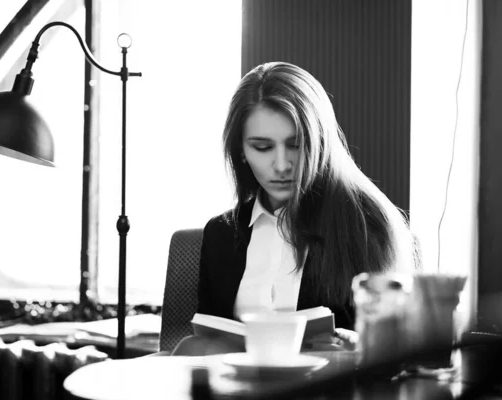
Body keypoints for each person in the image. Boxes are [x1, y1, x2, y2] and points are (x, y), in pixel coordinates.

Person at [173, 61, 418, 356]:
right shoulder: (220, 234)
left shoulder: (367, 224)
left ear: (320, 142)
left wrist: (361, 347)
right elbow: (210, 333)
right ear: (240, 149)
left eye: (296, 144)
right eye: (262, 147)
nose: (281, 165)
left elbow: (401, 349)